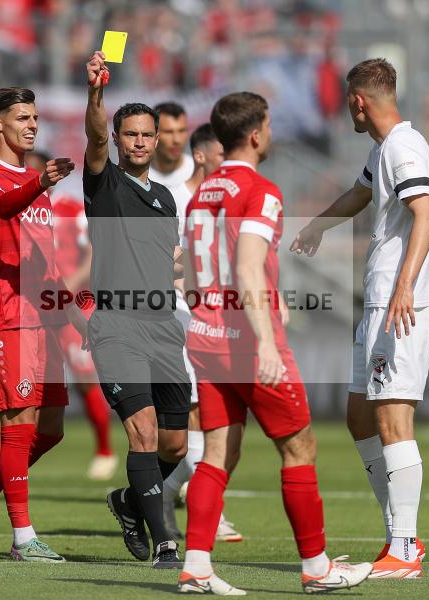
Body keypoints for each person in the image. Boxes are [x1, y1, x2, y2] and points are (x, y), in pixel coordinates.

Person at [178, 92, 372, 594]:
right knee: (299, 445)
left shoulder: (201, 192)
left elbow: (198, 270)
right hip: (245, 340)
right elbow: (244, 267)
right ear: (257, 134)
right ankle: (316, 569)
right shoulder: (261, 191)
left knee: (218, 451)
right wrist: (264, 341)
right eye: (268, 122)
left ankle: (196, 568)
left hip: (205, 335)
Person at [291, 58, 429, 579]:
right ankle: (400, 535)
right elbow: (360, 193)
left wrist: (404, 286)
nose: (345, 111)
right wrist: (317, 226)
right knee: (360, 414)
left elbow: (426, 212)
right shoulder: (384, 148)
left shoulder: (402, 146)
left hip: (401, 302)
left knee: (392, 418)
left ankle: (403, 547)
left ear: (359, 101)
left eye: (347, 103)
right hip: (381, 298)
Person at [0, 87, 83, 563]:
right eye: (22, 117)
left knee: (50, 429)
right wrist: (39, 183)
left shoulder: (36, 182)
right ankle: (23, 538)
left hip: (42, 318)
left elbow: (46, 265)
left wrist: (75, 316)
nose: (31, 125)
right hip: (4, 312)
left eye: (35, 117)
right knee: (18, 425)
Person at [83, 50, 190, 569]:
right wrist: (97, 93)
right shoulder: (105, 185)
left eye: (148, 134)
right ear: (120, 140)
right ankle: (165, 539)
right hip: (118, 326)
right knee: (143, 433)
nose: (141, 141)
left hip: (164, 326)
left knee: (173, 444)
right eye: (132, 134)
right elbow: (96, 138)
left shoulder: (167, 199)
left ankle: (128, 501)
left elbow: (164, 262)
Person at [0, 151, 118, 482]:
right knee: (19, 388)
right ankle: (4, 453)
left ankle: (105, 451)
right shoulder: (18, 212)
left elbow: (95, 252)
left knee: (84, 380)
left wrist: (72, 283)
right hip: (31, 307)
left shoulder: (69, 208)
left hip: (71, 303)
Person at [157, 124, 242, 543]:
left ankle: (152, 499)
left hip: (218, 318)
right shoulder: (175, 197)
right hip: (182, 319)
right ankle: (204, 511)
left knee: (219, 420)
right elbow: (164, 260)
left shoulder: (224, 200)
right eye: (223, 155)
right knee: (199, 415)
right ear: (205, 155)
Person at [149, 102, 195, 187]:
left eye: (182, 131)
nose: (176, 140)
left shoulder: (198, 172)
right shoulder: (136, 176)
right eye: (168, 132)